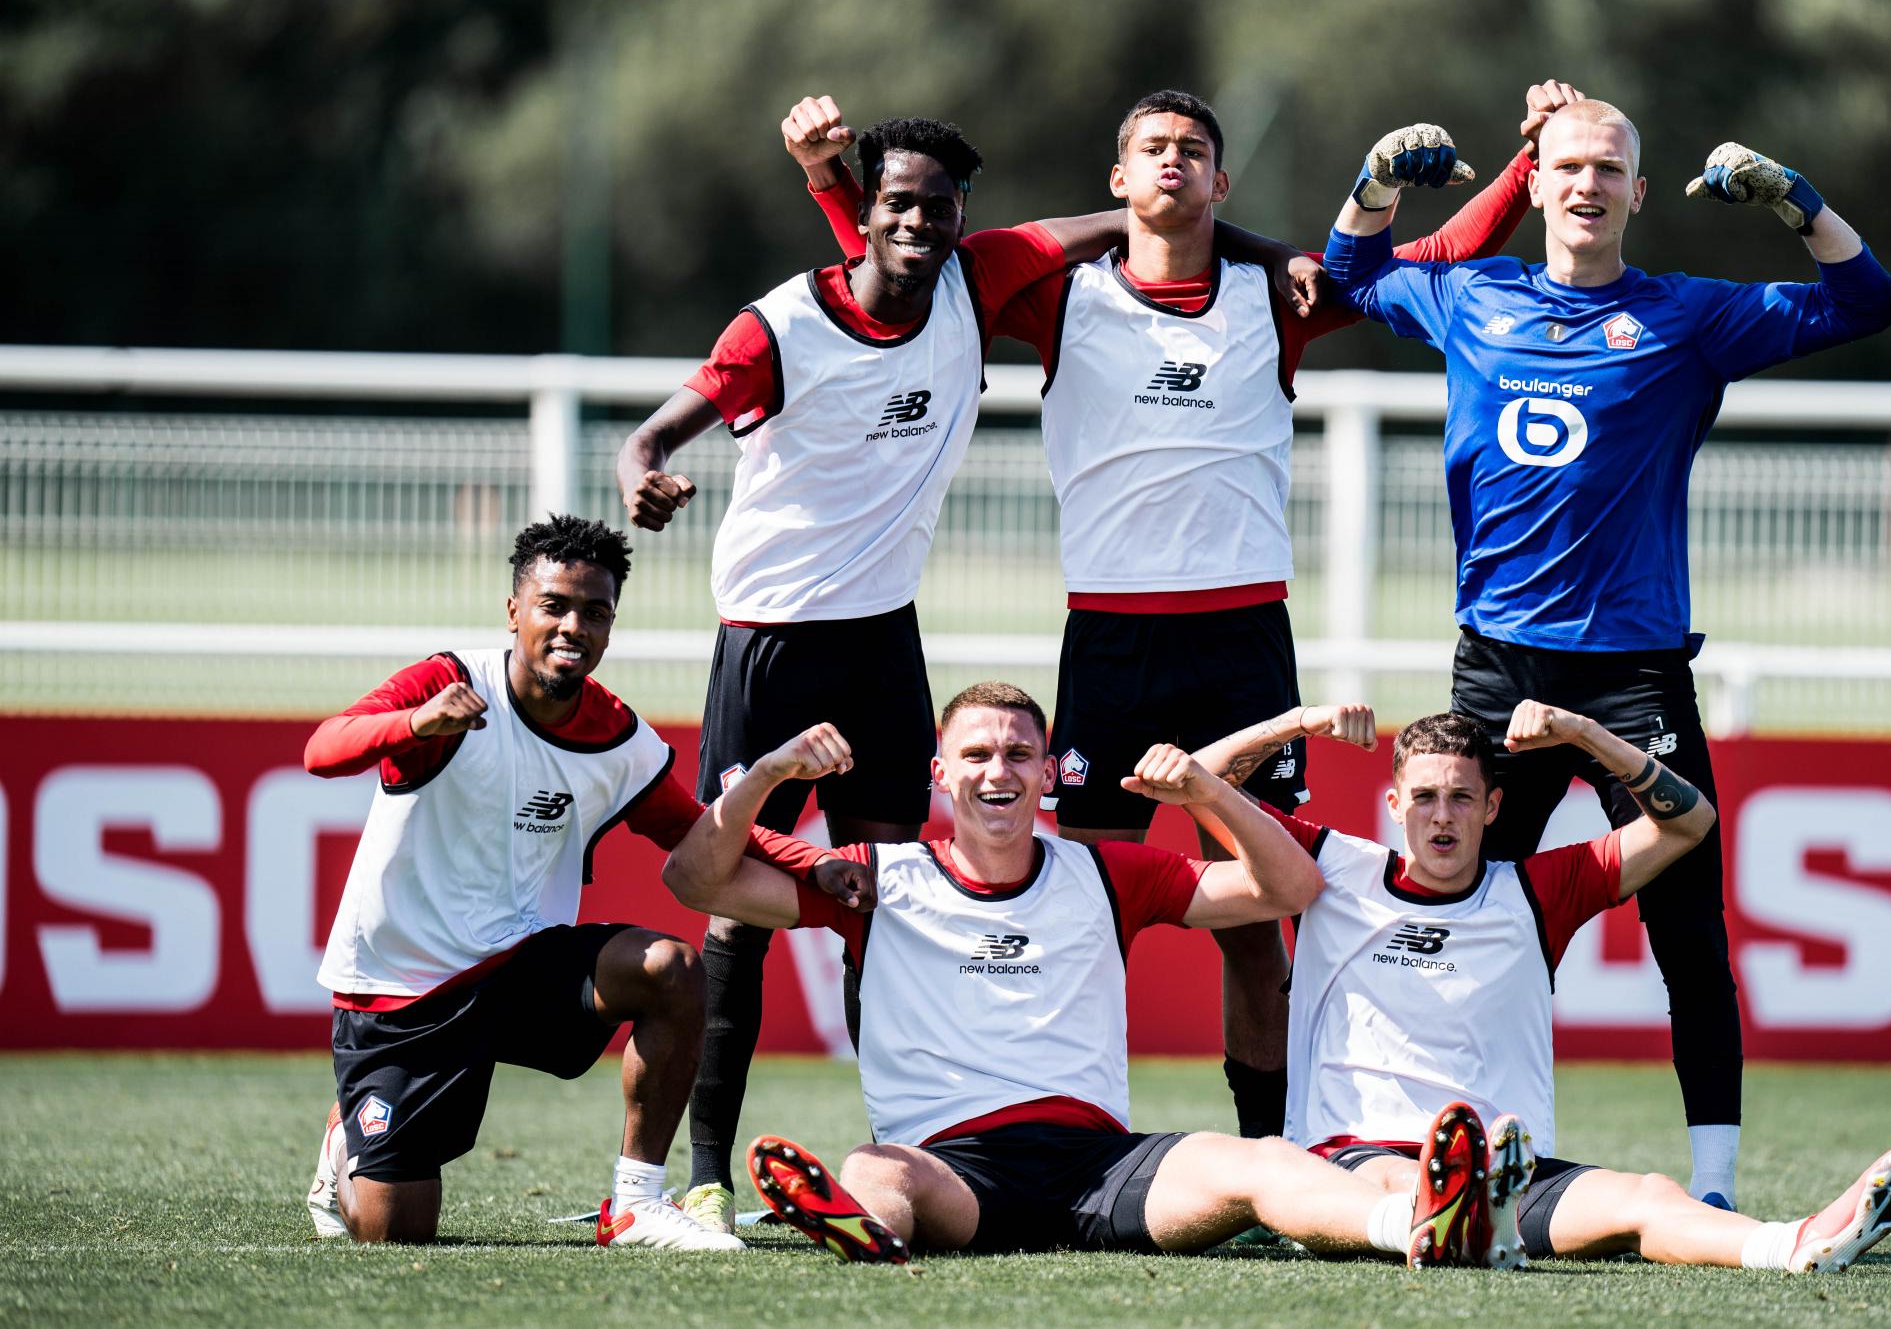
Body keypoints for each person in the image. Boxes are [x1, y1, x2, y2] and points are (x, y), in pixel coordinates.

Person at [795, 84, 1576, 1142]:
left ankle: (1267, 1159)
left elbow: (1428, 263)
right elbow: (903, 267)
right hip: (1110, 642)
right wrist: (830, 179)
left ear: (1220, 179)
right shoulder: (1054, 297)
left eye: (1192, 149)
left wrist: (1534, 164)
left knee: (1253, 921)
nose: (1172, 160)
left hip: (1240, 642)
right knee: (1078, 919)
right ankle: (1051, 1132)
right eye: (1151, 148)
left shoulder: (1277, 296)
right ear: (1117, 182)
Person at [1320, 101, 1891, 1206]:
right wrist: (1376, 173)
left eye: (1610, 169)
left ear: (1638, 194)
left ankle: (1717, 1187)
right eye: (1567, 167)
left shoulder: (1687, 317)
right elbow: (1346, 275)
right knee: (1479, 918)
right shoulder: (1469, 294)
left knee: (1686, 930)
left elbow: (1867, 302)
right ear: (1533, 184)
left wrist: (1795, 199)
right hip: (1494, 669)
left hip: (1634, 674)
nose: (1586, 184)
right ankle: (1454, 1152)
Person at [614, 114, 1140, 1231]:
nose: (915, 221)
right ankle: (703, 1176)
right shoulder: (782, 326)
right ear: (868, 206)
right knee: (736, 917)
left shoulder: (972, 279)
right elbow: (655, 433)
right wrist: (641, 471)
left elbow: (1126, 220)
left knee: (892, 902)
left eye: (936, 206)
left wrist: (1237, 241)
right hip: (769, 639)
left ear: (960, 218)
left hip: (882, 640)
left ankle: (905, 1147)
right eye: (894, 202)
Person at [656, 681, 1452, 1262]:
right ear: (941, 773)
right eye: (975, 754)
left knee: (1263, 1161)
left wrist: (1206, 790)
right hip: (953, 1163)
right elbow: (696, 882)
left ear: (1047, 774)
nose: (997, 770)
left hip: (1101, 1165)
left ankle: (1417, 1223)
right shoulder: (876, 877)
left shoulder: (1106, 873)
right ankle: (867, 1229)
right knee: (875, 1167)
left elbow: (1288, 888)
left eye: (1018, 753)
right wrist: (765, 776)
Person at [1186, 700, 1891, 1273]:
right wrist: (1299, 722)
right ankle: (1449, 1213)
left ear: (1495, 808)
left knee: (1646, 1198)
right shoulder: (1330, 867)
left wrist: (1586, 734)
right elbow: (1193, 783)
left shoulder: (1537, 890)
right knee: (1391, 1179)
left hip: (1515, 1174)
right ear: (1392, 805)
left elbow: (1689, 820)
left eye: (1462, 798)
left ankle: (1790, 1242)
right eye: (1424, 797)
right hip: (1358, 1160)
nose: (1442, 816)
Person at [300, 514, 865, 1249]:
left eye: (594, 612)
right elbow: (322, 749)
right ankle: (347, 1142)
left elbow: (695, 830)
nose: (574, 626)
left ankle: (634, 1203)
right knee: (396, 1231)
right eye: (554, 605)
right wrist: (415, 723)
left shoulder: (614, 733)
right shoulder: (449, 684)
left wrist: (808, 859)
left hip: (517, 964)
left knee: (672, 969)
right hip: (404, 989)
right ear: (514, 612)